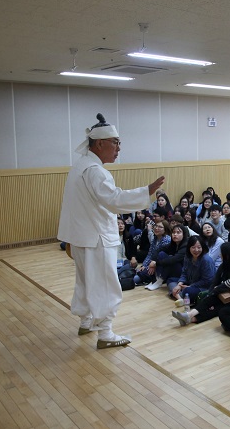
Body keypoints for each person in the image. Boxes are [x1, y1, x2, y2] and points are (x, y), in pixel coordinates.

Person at [57, 113, 165, 349]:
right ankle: (105, 333)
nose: (118, 148)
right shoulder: (95, 171)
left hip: (82, 236)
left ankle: (86, 321)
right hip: (95, 237)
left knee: (86, 282)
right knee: (105, 284)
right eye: (115, 142)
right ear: (99, 144)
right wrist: (146, 190)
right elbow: (114, 200)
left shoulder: (80, 166)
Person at [172, 242, 230, 326]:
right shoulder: (224, 265)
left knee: (216, 309)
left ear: (228, 255)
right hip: (223, 293)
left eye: (222, 253)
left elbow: (226, 285)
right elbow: (215, 281)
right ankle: (189, 316)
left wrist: (213, 291)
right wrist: (210, 293)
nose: (220, 254)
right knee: (209, 300)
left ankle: (190, 319)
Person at [169, 235, 216, 306]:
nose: (196, 250)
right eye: (193, 247)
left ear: (203, 247)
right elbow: (184, 272)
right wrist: (180, 284)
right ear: (189, 248)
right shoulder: (188, 257)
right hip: (190, 282)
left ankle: (178, 295)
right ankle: (181, 298)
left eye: (199, 247)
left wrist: (191, 286)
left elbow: (208, 281)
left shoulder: (206, 260)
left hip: (203, 287)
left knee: (188, 291)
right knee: (170, 280)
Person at [144, 223, 188, 291]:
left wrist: (156, 263)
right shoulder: (173, 244)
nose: (175, 234)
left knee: (171, 261)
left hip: (184, 273)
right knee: (162, 254)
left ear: (184, 234)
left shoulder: (186, 245)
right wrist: (153, 261)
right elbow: (158, 250)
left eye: (178, 233)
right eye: (173, 232)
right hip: (175, 270)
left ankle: (160, 280)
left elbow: (174, 259)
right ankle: (156, 279)